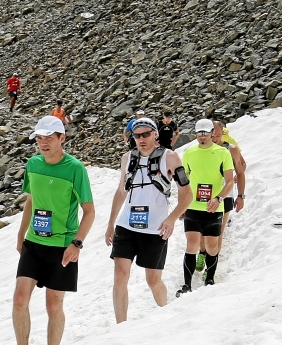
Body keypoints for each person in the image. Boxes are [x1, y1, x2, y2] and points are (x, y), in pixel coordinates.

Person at [9, 116, 95, 345]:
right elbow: (31, 200)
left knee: (53, 304)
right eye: (40, 138)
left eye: (49, 138)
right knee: (19, 299)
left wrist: (76, 244)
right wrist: (20, 235)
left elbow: (89, 211)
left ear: (62, 138)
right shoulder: (33, 164)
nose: (43, 143)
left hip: (62, 246)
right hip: (34, 243)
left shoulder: (75, 168)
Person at [104, 118, 192, 323]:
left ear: (155, 134)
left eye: (145, 134)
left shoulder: (170, 158)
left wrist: (171, 219)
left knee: (153, 280)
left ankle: (166, 315)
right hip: (126, 226)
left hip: (155, 229)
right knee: (120, 276)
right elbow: (120, 191)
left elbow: (187, 194)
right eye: (137, 136)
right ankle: (121, 326)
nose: (141, 139)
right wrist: (110, 224)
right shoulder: (127, 158)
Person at [177, 119, 235, 296]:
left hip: (213, 208)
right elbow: (183, 182)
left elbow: (230, 181)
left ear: (212, 133)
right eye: (199, 133)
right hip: (193, 206)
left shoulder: (222, 153)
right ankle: (187, 285)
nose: (202, 136)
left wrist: (218, 198)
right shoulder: (188, 153)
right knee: (192, 245)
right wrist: (182, 205)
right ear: (196, 134)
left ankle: (210, 278)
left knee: (211, 247)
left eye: (205, 133)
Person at [212, 120, 247, 251]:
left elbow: (242, 165)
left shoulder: (230, 147)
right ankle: (203, 252)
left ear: (223, 133)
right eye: (213, 135)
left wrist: (240, 195)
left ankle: (212, 264)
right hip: (206, 193)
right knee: (204, 230)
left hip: (226, 194)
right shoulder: (201, 148)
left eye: (218, 135)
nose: (215, 138)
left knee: (219, 230)